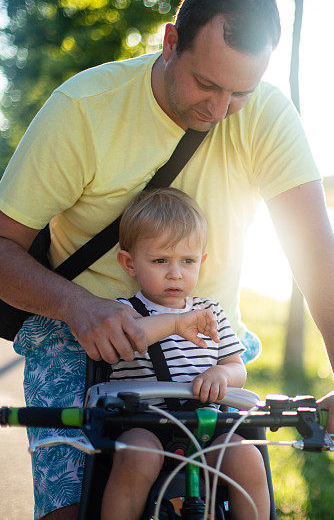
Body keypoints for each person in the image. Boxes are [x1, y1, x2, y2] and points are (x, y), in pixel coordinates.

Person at [0, 0, 334, 518]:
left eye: (240, 92)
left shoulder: (266, 116)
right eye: (206, 84)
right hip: (76, 333)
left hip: (208, 346)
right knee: (71, 508)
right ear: (170, 42)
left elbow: (314, 247)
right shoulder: (83, 110)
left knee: (244, 482)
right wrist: (79, 307)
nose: (219, 110)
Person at [101, 188, 268, 520]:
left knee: (248, 458)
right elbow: (132, 339)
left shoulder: (210, 313)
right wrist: (176, 323)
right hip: (144, 424)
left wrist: (221, 374)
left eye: (187, 261)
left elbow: (237, 367)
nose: (175, 273)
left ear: (201, 262)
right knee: (136, 456)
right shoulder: (126, 312)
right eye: (160, 260)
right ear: (129, 263)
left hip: (205, 425)